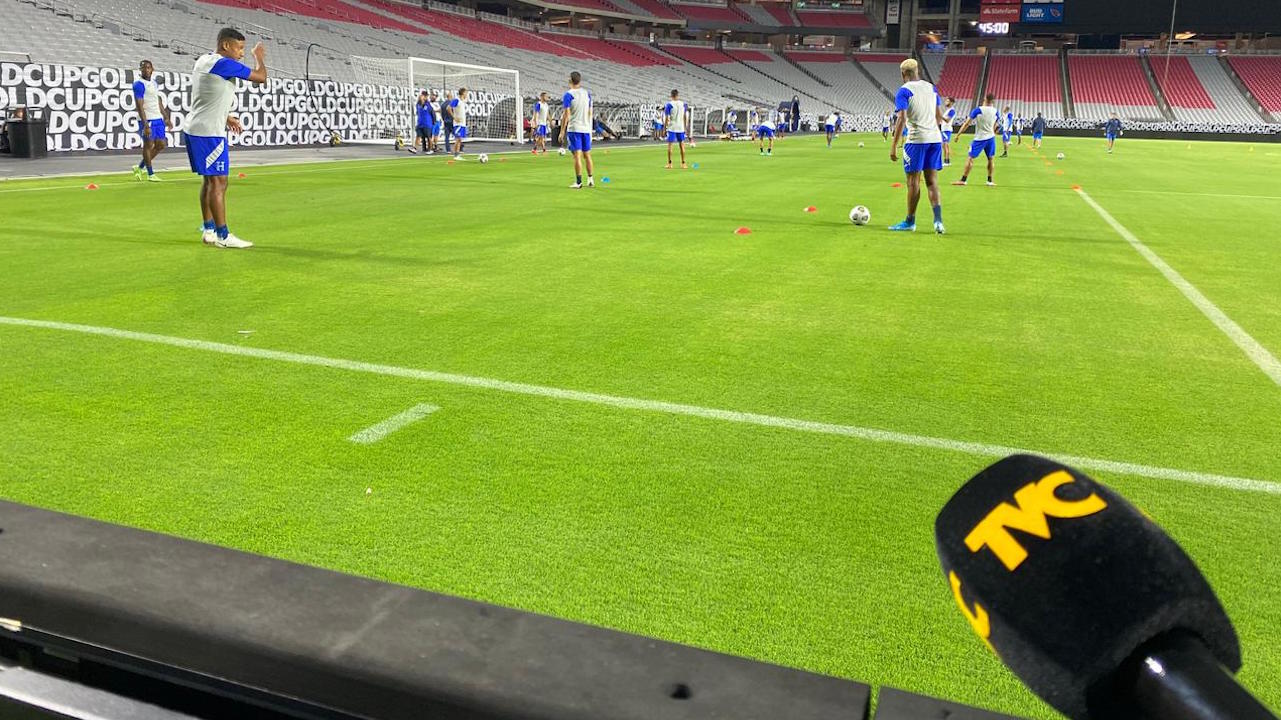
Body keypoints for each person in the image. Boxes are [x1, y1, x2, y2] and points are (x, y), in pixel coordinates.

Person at [185, 28, 265, 249]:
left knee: (210, 181)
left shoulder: (204, 60)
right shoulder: (224, 64)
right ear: (226, 45)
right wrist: (259, 57)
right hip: (209, 133)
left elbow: (206, 93)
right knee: (219, 182)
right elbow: (261, 78)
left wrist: (226, 116)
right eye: (239, 48)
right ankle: (223, 235)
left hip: (196, 127)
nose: (242, 53)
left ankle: (209, 229)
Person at [887, 58, 946, 234]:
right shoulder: (931, 88)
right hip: (934, 139)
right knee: (932, 181)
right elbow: (938, 116)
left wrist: (894, 145)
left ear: (903, 74)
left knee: (913, 182)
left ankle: (910, 222)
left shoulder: (904, 91)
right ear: (917, 70)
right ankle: (938, 222)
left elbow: (901, 118)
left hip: (917, 140)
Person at [132, 59, 170, 182]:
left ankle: (139, 167)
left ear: (152, 69)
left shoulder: (154, 83)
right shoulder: (138, 84)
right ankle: (150, 174)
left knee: (161, 145)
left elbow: (157, 100)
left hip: (157, 118)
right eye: (143, 68)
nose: (146, 70)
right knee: (148, 145)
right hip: (147, 119)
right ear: (140, 70)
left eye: (148, 67)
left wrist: (166, 117)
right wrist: (146, 125)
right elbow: (139, 106)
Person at [951, 93, 999, 188]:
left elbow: (967, 123)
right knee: (990, 159)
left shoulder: (978, 110)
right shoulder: (996, 112)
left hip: (980, 138)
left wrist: (958, 134)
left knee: (970, 158)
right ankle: (989, 181)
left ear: (985, 99)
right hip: (991, 138)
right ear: (993, 101)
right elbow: (996, 126)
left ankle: (963, 180)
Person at [559, 71, 595, 189]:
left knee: (577, 156)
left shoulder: (568, 95)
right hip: (586, 128)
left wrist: (562, 131)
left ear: (570, 80)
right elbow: (590, 112)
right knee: (587, 155)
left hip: (574, 128)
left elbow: (566, 115)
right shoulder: (587, 94)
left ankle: (578, 182)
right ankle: (590, 179)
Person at [663, 89, 690, 169]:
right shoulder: (683, 104)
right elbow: (685, 116)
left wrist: (664, 128)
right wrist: (685, 127)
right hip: (680, 127)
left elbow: (667, 118)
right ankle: (683, 163)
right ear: (678, 95)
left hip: (672, 127)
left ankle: (670, 163)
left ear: (671, 95)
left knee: (670, 145)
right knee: (682, 145)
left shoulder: (669, 105)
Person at [409, 90, 435, 155]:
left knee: (429, 137)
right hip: (420, 123)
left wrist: (433, 122)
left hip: (427, 124)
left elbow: (432, 113)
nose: (422, 97)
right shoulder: (418, 104)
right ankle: (415, 148)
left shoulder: (428, 104)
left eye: (424, 96)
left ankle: (431, 149)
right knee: (418, 136)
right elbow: (418, 110)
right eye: (422, 95)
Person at [448, 88, 468, 159]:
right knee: (458, 139)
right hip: (458, 124)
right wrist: (454, 117)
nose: (467, 94)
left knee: (460, 139)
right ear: (463, 93)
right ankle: (455, 155)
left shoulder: (462, 101)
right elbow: (448, 108)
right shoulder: (456, 100)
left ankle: (457, 154)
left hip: (462, 124)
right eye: (466, 93)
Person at [939, 98, 956, 167]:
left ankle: (946, 161)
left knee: (945, 145)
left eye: (947, 101)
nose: (946, 102)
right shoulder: (948, 110)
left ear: (951, 102)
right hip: (944, 130)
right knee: (944, 145)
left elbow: (947, 120)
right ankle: (947, 161)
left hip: (947, 130)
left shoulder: (952, 111)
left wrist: (940, 116)